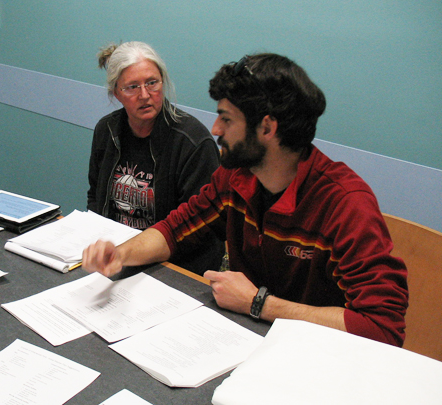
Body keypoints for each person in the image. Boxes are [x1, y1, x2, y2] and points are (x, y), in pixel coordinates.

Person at [82, 53, 408, 347]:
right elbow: (174, 230)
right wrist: (120, 253)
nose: (215, 128)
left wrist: (259, 303)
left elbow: (381, 328)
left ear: (266, 127)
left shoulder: (345, 205)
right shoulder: (237, 177)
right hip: (245, 338)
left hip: (317, 356)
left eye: (226, 118)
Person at [88, 41, 224, 274]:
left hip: (172, 265)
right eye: (132, 87)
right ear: (116, 93)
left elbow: (199, 231)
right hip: (117, 259)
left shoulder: (192, 142)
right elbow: (95, 196)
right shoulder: (106, 130)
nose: (145, 95)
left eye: (152, 83)